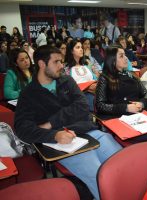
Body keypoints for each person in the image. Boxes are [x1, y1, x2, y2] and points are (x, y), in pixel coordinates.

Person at [14, 45, 122, 199]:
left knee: (122, 163)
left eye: (62, 62)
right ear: (41, 64)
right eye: (56, 62)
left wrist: (51, 123)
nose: (61, 66)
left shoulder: (66, 80)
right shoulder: (29, 94)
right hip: (64, 144)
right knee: (100, 177)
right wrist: (54, 135)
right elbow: (23, 129)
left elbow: (83, 106)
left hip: (88, 131)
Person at [95, 45, 147, 150]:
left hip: (139, 117)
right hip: (119, 120)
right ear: (112, 60)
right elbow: (100, 105)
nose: (126, 58)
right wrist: (125, 107)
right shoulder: (105, 78)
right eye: (121, 56)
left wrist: (142, 103)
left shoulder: (131, 75)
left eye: (125, 55)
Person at [65, 40, 99, 111]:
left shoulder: (87, 65)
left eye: (81, 47)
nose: (81, 49)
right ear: (71, 51)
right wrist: (87, 88)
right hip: (79, 98)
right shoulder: (66, 69)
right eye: (77, 47)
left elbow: (95, 78)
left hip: (94, 94)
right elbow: (68, 88)